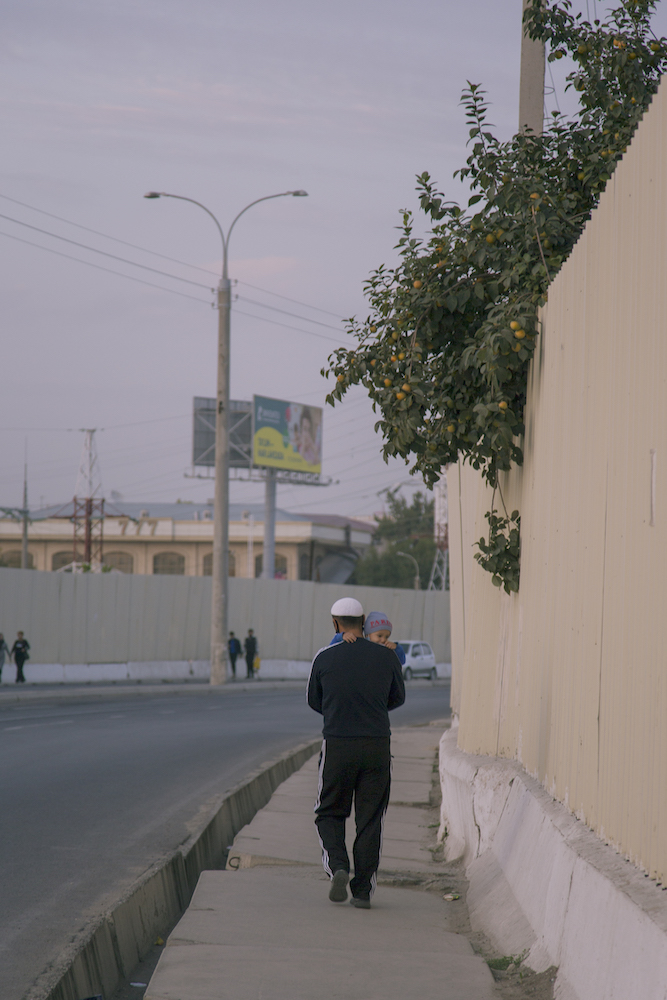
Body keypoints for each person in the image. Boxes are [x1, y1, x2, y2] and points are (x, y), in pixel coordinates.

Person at [307, 597, 405, 909]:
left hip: (337, 744)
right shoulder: (387, 656)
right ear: (363, 621)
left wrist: (341, 710)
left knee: (329, 811)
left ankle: (337, 865)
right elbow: (397, 698)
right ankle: (362, 891)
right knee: (371, 817)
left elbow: (314, 701)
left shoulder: (324, 657)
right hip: (377, 745)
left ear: (335, 624)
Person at [330, 610, 406, 666]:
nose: (383, 640)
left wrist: (396, 648)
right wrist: (341, 637)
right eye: (379, 636)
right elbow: (330, 650)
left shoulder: (385, 650)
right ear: (367, 635)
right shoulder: (358, 644)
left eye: (387, 637)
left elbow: (401, 661)